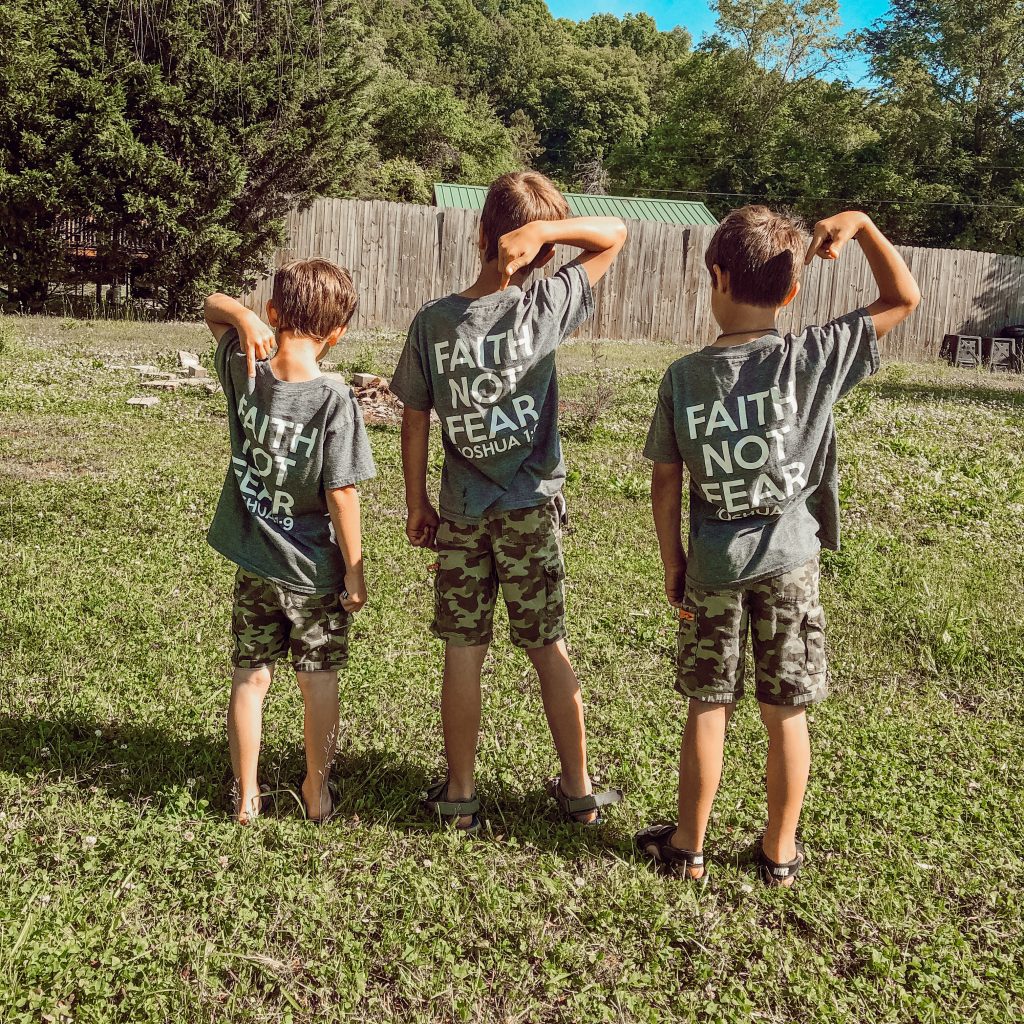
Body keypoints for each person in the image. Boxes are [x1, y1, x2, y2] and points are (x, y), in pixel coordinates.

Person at [637, 207, 920, 884]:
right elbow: (903, 298)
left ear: (716, 276)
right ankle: (779, 851)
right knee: (786, 711)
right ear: (791, 292)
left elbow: (666, 482)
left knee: (709, 703)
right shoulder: (813, 356)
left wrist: (674, 562)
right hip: (791, 563)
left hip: (712, 566)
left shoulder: (683, 377)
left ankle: (689, 846)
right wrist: (862, 226)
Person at [391, 171, 628, 831]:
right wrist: (551, 230)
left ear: (480, 232)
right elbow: (614, 234)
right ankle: (577, 789)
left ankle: (460, 794)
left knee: (463, 650)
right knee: (548, 645)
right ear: (544, 250)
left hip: (462, 511)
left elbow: (415, 416)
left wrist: (416, 501)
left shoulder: (435, 321)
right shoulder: (545, 304)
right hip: (529, 512)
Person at [203, 259, 376, 824]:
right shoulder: (335, 399)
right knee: (318, 679)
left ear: (273, 312)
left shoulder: (244, 364)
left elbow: (211, 304)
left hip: (255, 560)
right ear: (338, 333)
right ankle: (316, 791)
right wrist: (354, 568)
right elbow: (342, 492)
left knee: (250, 676)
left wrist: (243, 316)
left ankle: (247, 795)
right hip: (314, 572)